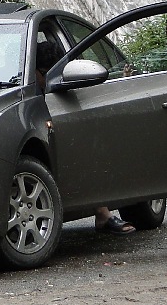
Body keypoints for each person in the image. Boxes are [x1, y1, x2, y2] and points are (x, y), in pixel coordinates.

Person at [34, 40, 136, 236]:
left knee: (89, 147)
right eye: (45, 72)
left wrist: (124, 81)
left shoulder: (63, 85)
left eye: (55, 74)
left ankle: (103, 213)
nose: (49, 79)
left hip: (62, 144)